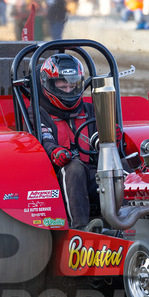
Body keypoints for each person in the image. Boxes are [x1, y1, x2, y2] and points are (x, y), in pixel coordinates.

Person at [33, 54, 99, 230]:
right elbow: (45, 140)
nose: (68, 91)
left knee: (122, 165)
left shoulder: (90, 110)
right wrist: (55, 152)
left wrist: (112, 137)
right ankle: (80, 229)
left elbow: (102, 140)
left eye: (72, 85)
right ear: (49, 84)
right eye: (63, 86)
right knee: (75, 167)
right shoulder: (38, 114)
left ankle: (135, 221)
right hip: (56, 177)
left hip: (95, 173)